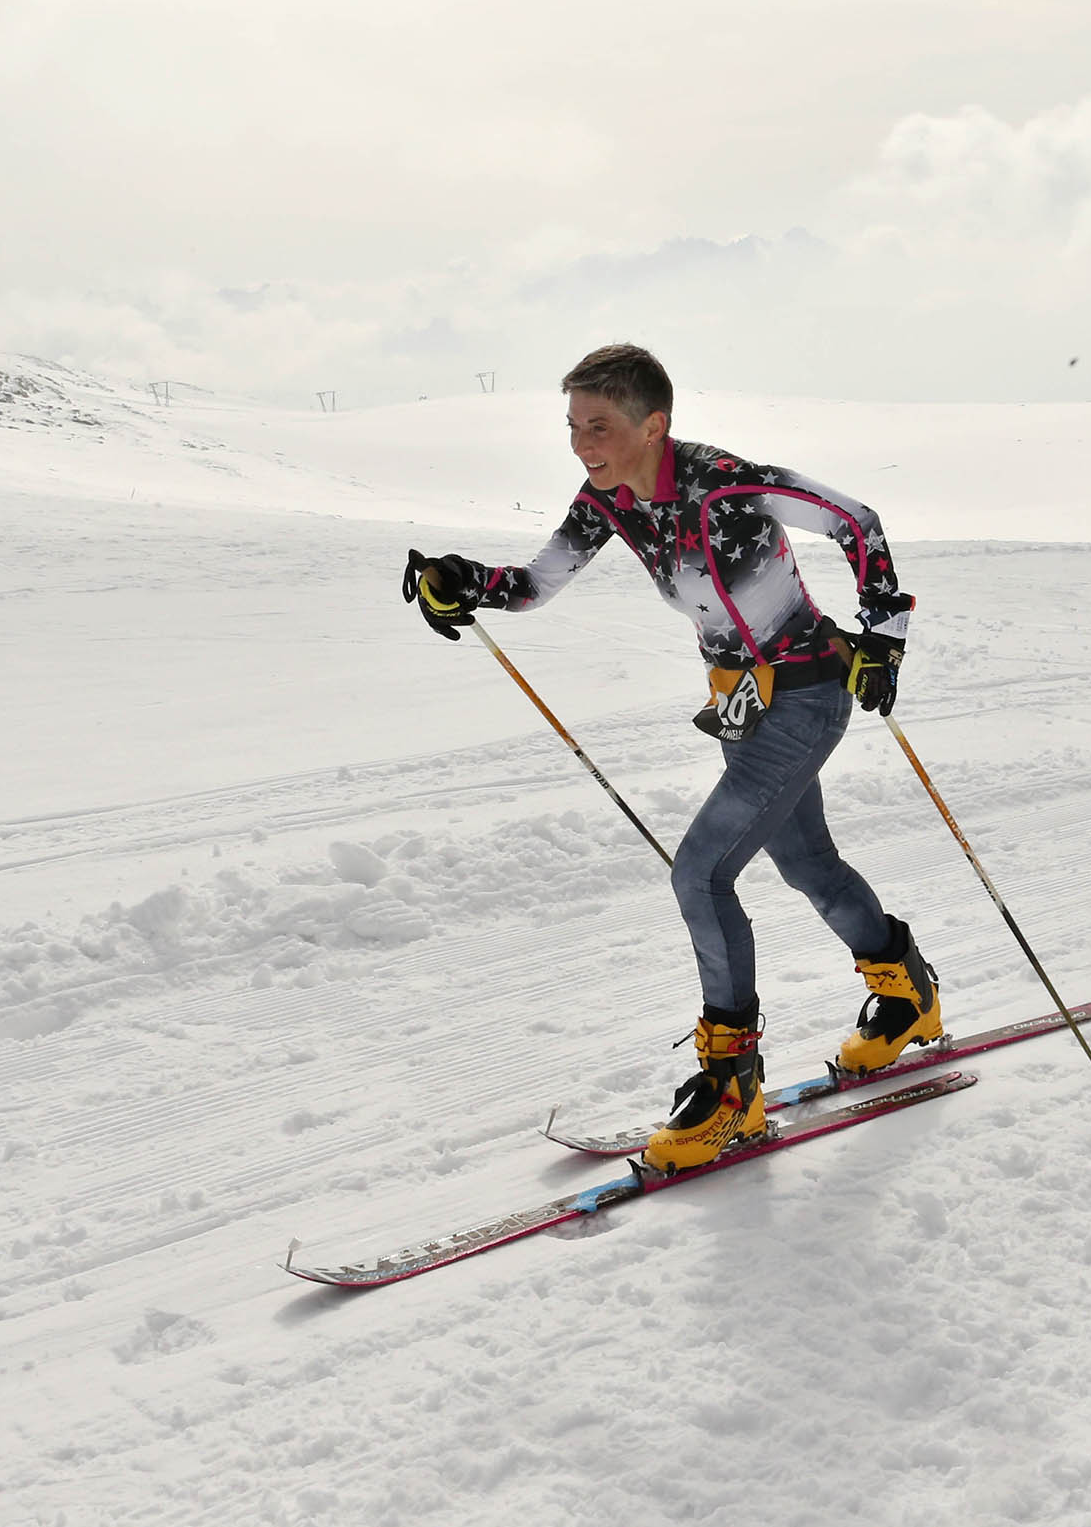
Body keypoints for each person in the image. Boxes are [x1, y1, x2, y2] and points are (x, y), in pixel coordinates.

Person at [400, 343, 941, 1173]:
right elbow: (537, 582)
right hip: (744, 703)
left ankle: (731, 1084)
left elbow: (854, 522)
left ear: (654, 425)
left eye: (601, 426)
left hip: (807, 691)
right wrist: (461, 578)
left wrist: (884, 639)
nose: (584, 443)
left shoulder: (723, 482)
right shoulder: (606, 499)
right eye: (574, 426)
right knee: (806, 862)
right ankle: (906, 995)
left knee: (700, 873)